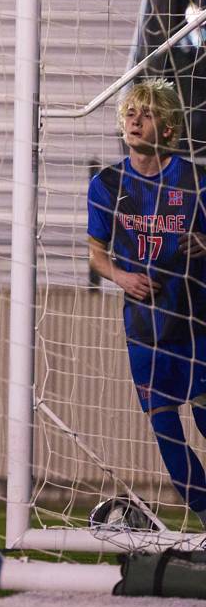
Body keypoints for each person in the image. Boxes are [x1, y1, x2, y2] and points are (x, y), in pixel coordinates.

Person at [87, 78, 206, 527]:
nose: (135, 121)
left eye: (148, 114)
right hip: (144, 330)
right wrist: (121, 276)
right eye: (131, 113)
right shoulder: (108, 183)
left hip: (195, 323)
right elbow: (96, 253)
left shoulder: (195, 179)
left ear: (170, 127)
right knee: (166, 431)